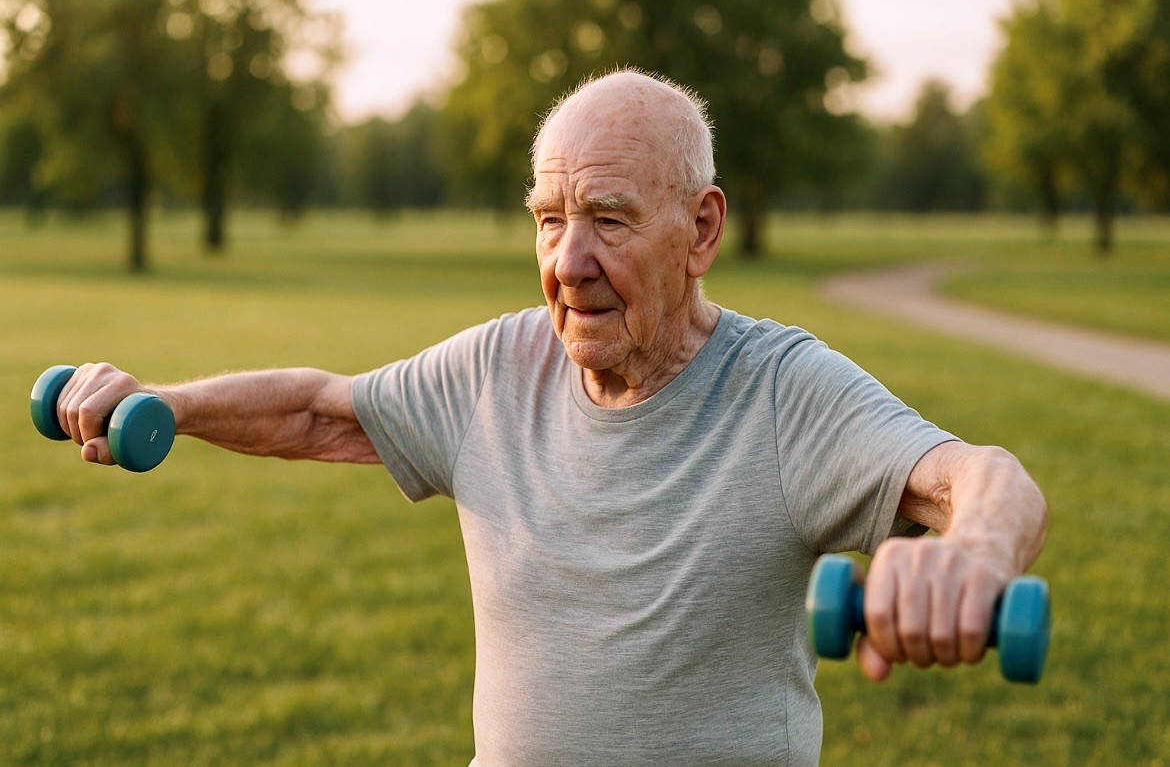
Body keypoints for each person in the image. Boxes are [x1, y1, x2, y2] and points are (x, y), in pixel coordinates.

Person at [53, 69, 1047, 765]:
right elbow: (324, 413)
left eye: (607, 219)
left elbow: (977, 477)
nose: (567, 260)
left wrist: (977, 555)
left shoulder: (782, 388)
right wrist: (165, 403)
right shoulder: (499, 365)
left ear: (700, 229)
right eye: (548, 218)